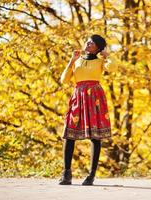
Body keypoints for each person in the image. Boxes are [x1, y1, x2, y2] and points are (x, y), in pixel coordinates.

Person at [59, 34, 117, 186]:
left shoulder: (100, 61)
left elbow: (113, 67)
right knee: (69, 135)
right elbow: (64, 80)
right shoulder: (77, 60)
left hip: (95, 98)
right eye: (88, 41)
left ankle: (91, 175)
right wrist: (71, 61)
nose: (88, 43)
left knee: (95, 137)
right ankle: (66, 174)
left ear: (98, 48)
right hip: (78, 97)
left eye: (93, 42)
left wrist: (107, 55)